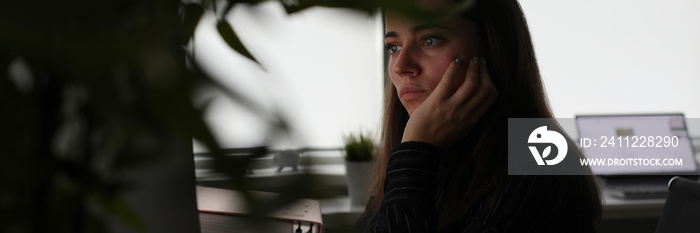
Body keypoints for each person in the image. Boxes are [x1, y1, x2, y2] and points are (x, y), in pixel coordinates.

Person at [356, 0, 602, 232]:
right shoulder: (442, 152)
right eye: (393, 47)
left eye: (430, 40)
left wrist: (415, 149)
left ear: (492, 47)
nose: (400, 66)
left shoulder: (539, 167)